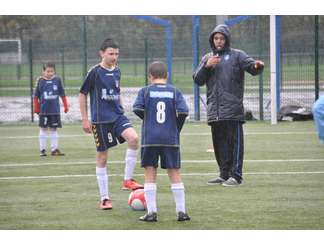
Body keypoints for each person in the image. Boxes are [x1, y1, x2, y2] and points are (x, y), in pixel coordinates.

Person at [193, 24, 264, 187]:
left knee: (234, 145)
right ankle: (223, 174)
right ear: (212, 40)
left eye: (222, 38)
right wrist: (206, 66)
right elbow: (197, 79)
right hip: (214, 110)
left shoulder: (237, 56)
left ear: (227, 39)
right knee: (219, 145)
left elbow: (252, 68)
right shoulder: (207, 58)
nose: (219, 41)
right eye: (216, 38)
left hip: (232, 110)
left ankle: (236, 176)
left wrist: (258, 66)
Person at [79, 38, 143, 210]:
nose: (114, 57)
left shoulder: (117, 71)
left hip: (117, 116)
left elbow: (117, 90)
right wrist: (85, 119)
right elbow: (82, 94)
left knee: (134, 139)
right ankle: (105, 198)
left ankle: (127, 180)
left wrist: (120, 105)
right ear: (102, 53)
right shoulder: (94, 72)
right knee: (102, 157)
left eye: (116, 54)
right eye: (111, 53)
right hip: (101, 121)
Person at [133, 61, 190, 222]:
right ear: (167, 76)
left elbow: (137, 108)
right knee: (174, 172)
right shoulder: (174, 91)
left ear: (150, 76)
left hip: (150, 138)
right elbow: (184, 111)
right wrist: (175, 128)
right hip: (170, 138)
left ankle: (151, 213)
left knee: (150, 172)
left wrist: (149, 119)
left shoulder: (145, 91)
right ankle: (181, 212)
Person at [33, 62, 69, 157]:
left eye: (52, 71)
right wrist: (36, 107)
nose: (50, 73)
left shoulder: (57, 80)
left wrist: (66, 105)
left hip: (55, 111)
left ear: (54, 71)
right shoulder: (40, 81)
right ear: (43, 71)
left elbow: (62, 94)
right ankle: (42, 150)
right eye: (48, 71)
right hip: (44, 111)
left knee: (54, 129)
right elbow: (36, 96)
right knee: (43, 129)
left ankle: (54, 149)